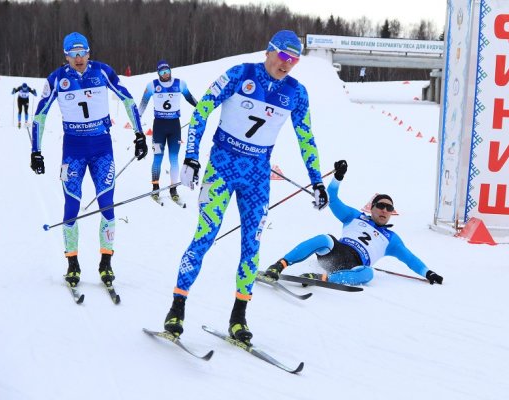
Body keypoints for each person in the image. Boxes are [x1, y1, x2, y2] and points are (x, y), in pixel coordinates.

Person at [162, 30, 328, 343]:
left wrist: (317, 180)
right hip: (222, 169)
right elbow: (202, 110)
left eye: (294, 60)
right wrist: (191, 158)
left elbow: (306, 138)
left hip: (257, 177)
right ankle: (177, 308)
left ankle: (239, 317)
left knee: (252, 245)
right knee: (204, 237)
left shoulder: (296, 92)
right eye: (283, 57)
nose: (288, 65)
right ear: (270, 51)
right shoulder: (240, 74)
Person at [30, 32, 148, 288]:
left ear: (89, 52)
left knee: (107, 204)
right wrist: (35, 151)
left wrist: (140, 134)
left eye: (82, 52)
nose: (78, 58)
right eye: (73, 54)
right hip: (73, 151)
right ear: (65, 56)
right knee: (71, 206)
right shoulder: (57, 79)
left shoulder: (102, 72)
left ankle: (106, 263)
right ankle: (72, 264)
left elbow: (127, 99)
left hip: (102, 148)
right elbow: (39, 115)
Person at [264, 160, 444, 286]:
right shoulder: (355, 216)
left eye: (389, 208)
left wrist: (429, 273)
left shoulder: (392, 239)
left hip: (354, 266)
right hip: (335, 253)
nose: (384, 210)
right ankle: (279, 265)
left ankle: (321, 278)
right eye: (381, 206)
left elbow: (410, 259)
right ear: (371, 208)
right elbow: (332, 199)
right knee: (324, 238)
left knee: (368, 273)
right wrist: (338, 176)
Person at [138, 60, 197, 203]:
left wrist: (201, 107)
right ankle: (155, 187)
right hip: (159, 126)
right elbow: (143, 103)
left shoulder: (180, 84)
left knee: (174, 159)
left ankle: (173, 188)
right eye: (162, 72)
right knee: (158, 158)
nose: (165, 75)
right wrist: (137, 118)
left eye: (167, 71)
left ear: (170, 70)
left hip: (174, 127)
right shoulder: (152, 85)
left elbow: (190, 98)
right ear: (158, 73)